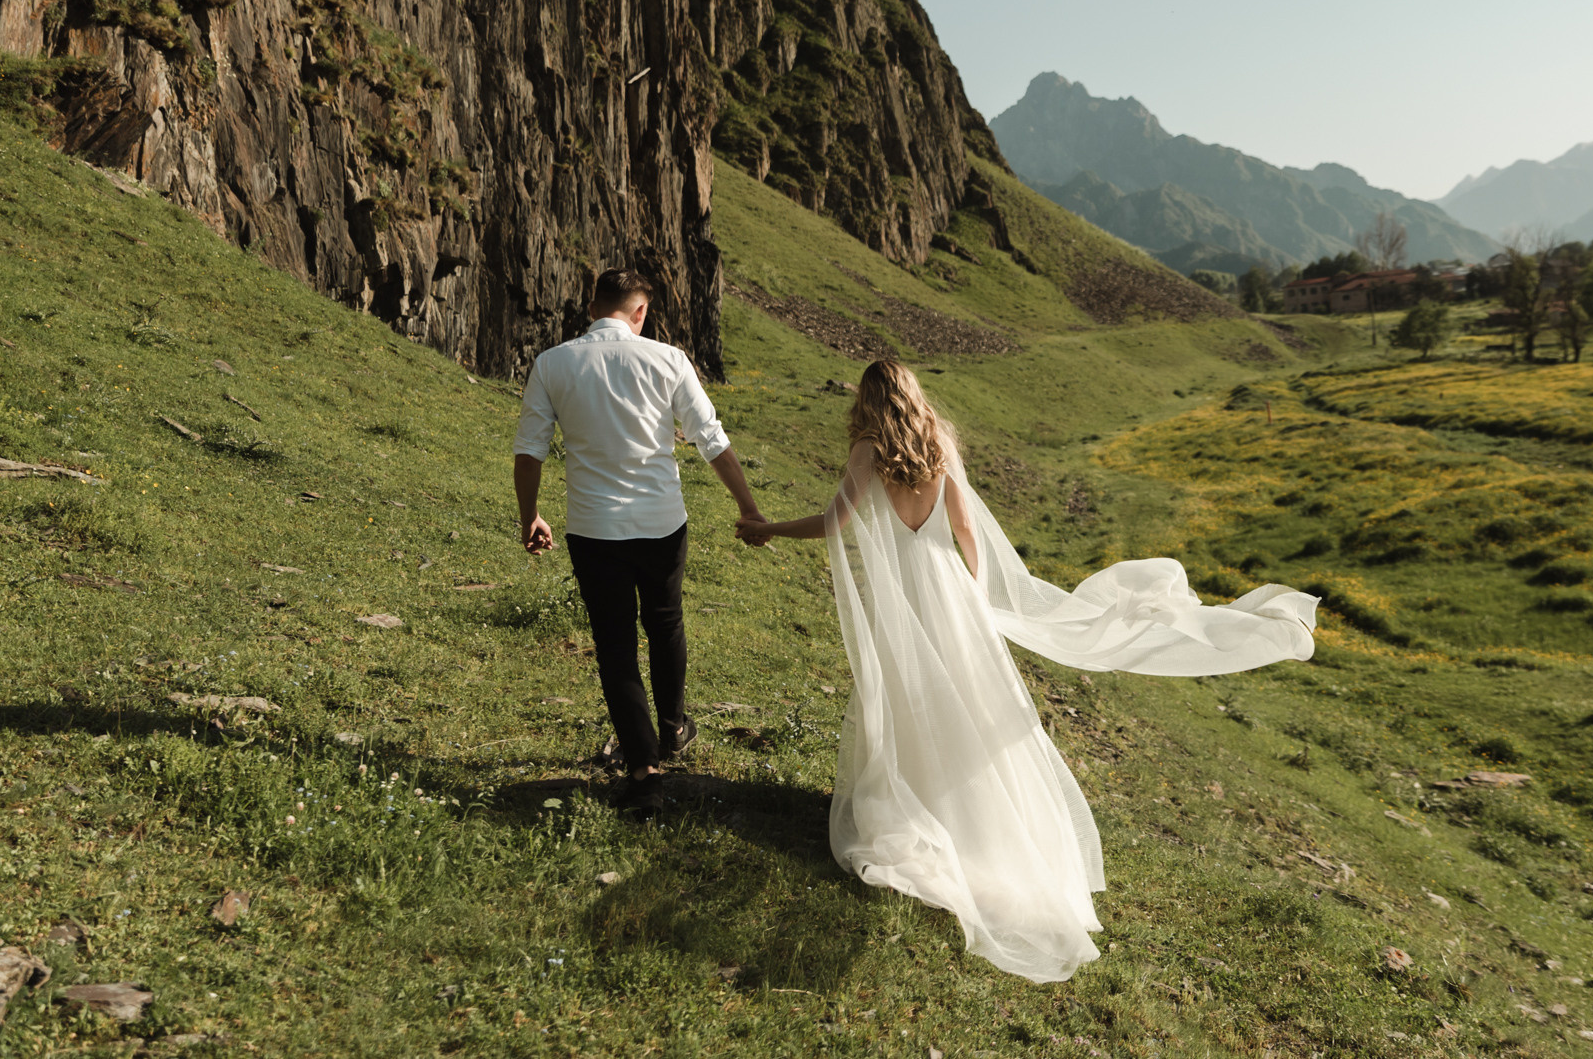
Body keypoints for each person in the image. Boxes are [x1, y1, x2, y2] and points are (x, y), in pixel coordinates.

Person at [735, 360, 1317, 982]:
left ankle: (925, 812)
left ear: (868, 402)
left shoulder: (866, 451)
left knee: (913, 700)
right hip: (953, 595)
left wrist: (766, 530)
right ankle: (977, 821)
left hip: (906, 600)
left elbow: (833, 524)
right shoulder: (938, 445)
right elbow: (965, 531)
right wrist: (978, 598)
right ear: (912, 395)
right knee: (976, 708)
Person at [513, 268, 767, 818]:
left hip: (592, 526)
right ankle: (673, 727)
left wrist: (530, 515)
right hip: (661, 522)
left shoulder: (554, 363)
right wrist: (747, 507)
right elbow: (711, 439)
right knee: (665, 620)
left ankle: (643, 770)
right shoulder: (668, 359)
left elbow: (530, 450)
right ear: (640, 312)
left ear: (592, 306)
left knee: (614, 642)